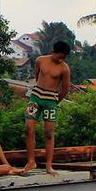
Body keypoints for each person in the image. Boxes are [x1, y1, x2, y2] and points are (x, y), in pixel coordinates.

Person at [24, 41, 72, 175]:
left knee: (49, 134)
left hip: (51, 100)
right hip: (36, 97)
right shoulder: (40, 60)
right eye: (60, 56)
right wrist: (39, 92)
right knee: (28, 128)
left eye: (64, 57)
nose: (61, 60)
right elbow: (37, 75)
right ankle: (31, 161)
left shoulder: (64, 68)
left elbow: (65, 88)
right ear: (53, 52)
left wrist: (55, 102)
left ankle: (49, 165)